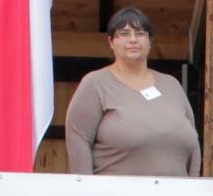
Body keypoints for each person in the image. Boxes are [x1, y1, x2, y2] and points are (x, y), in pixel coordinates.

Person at [66, 7, 201, 177]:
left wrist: (193, 185)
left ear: (150, 41)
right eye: (124, 34)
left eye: (140, 33)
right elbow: (78, 139)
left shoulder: (172, 85)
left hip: (177, 193)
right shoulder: (95, 83)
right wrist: (85, 187)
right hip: (114, 193)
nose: (133, 39)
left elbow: (193, 143)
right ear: (111, 42)